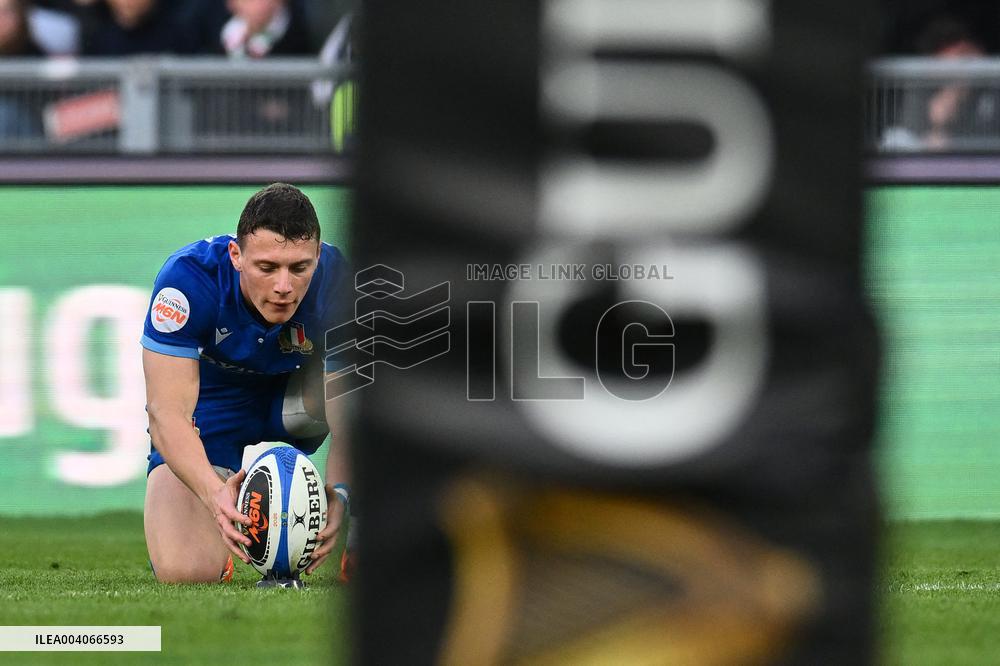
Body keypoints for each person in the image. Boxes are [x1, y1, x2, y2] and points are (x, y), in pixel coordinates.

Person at [141, 183, 352, 583]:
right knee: (184, 572)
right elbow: (166, 413)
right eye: (267, 268)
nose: (284, 286)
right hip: (213, 408)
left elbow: (354, 417)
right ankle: (209, 545)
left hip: (302, 399)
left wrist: (341, 493)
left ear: (318, 256)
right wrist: (213, 494)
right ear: (236, 255)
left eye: (300, 267)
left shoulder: (341, 282)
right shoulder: (188, 280)